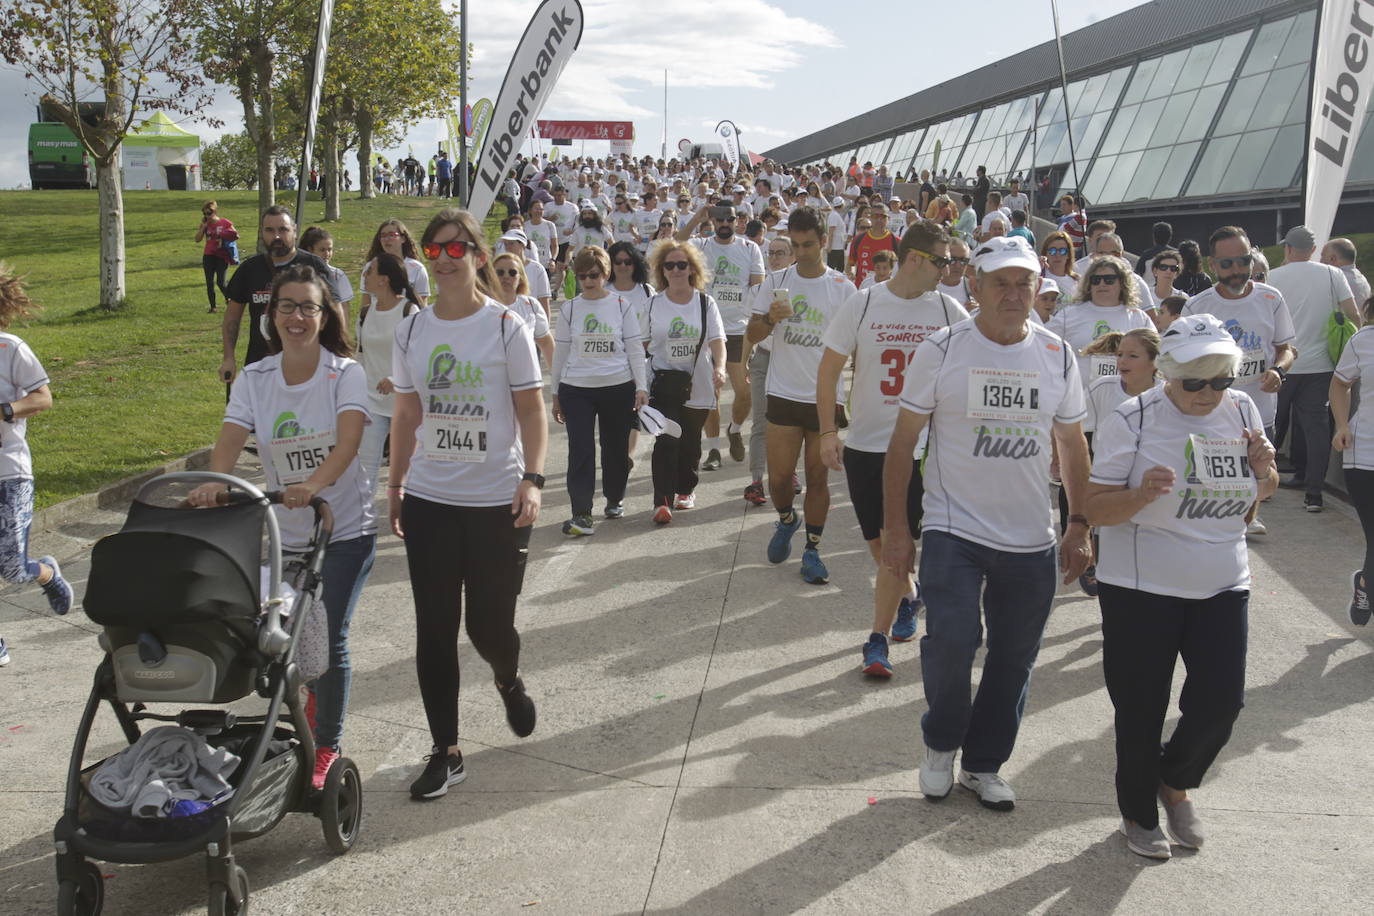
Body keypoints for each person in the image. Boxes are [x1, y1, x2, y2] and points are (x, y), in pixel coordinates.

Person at [881, 235, 1093, 811]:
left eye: (1024, 281)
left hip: (1031, 537)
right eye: (1000, 281)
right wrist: (897, 531)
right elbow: (902, 445)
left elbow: (1072, 445)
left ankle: (983, 764)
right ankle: (941, 743)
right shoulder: (942, 349)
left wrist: (1079, 524)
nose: (1013, 293)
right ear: (974, 285)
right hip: (954, 528)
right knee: (951, 640)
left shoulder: (1057, 355)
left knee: (1014, 658)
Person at [1085, 314, 1277, 859]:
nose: (1207, 393)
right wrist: (1141, 495)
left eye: (1220, 379)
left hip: (1222, 579)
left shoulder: (1240, 409)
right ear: (1167, 372)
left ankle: (1173, 780)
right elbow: (1096, 507)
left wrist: (1264, 473)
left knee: (1221, 703)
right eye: (1194, 381)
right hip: (1143, 587)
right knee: (1141, 707)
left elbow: (1261, 493)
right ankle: (1138, 814)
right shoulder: (1134, 418)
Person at [189, 264, 377, 791]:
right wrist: (211, 484)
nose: (297, 317)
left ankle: (327, 745)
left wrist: (313, 485)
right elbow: (229, 438)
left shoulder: (345, 374)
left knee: (326, 638)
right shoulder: (255, 379)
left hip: (342, 532)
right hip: (284, 534)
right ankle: (298, 722)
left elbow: (346, 445)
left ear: (325, 315)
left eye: (308, 307)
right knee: (278, 640)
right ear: (271, 315)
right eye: (287, 306)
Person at [388, 208, 547, 800]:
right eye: (435, 251)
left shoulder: (507, 326)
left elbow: (531, 408)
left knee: (489, 627)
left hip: (493, 501)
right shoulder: (412, 330)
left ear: (479, 257)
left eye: (459, 250)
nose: (447, 260)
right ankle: (446, 750)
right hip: (431, 497)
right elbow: (407, 414)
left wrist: (532, 478)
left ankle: (507, 677)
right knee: (434, 630)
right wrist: (396, 485)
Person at [816, 221, 968, 677]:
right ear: (916, 259)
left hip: (922, 448)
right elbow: (828, 370)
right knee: (880, 545)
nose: (949, 270)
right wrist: (827, 431)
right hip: (866, 444)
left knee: (900, 546)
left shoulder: (948, 309)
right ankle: (908, 596)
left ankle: (876, 640)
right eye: (943, 260)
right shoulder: (863, 303)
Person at [748, 206, 858, 584]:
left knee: (817, 478)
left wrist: (857, 393)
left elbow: (857, 346)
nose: (801, 252)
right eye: (795, 245)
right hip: (782, 392)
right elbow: (752, 336)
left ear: (824, 241)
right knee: (779, 480)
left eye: (808, 244)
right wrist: (770, 320)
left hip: (825, 400)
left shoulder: (844, 288)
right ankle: (786, 519)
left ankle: (813, 550)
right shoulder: (777, 280)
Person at [1182, 226, 1296, 535]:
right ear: (1212, 265)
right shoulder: (1197, 307)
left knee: (1258, 476)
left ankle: (1245, 522)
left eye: (1243, 262)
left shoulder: (1271, 298)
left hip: (1259, 409)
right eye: (1227, 264)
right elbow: (1182, 363)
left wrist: (1279, 371)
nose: (1236, 271)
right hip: (1211, 411)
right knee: (1213, 486)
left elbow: (1286, 349)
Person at [0, 264, 71, 668]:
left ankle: (45, 572)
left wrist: (6, 409)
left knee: (12, 566)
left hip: (10, 473)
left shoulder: (10, 349)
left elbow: (43, 398)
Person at [551, 247, 647, 535]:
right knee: (580, 450)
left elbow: (634, 348)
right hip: (576, 389)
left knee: (615, 448)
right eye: (582, 276)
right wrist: (555, 393)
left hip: (617, 386)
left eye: (593, 275)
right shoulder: (569, 308)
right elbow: (561, 353)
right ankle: (581, 514)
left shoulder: (621, 306)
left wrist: (641, 386)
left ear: (605, 274)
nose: (588, 281)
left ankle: (614, 497)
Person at [1269, 225, 1359, 512]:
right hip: (1321, 367)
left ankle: (1262, 486)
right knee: (1317, 430)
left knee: (1270, 426)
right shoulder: (1333, 275)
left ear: (1288, 249)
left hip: (1282, 364)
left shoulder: (1274, 276)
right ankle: (1314, 495)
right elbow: (1353, 315)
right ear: (1313, 250)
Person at [642, 239, 727, 524]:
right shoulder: (653, 304)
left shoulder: (705, 302)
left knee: (690, 441)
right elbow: (639, 344)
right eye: (670, 265)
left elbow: (717, 340)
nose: (676, 270)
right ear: (662, 271)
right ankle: (662, 501)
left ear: (692, 268)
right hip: (663, 381)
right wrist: (636, 382)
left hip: (698, 381)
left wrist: (721, 367)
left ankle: (685, 489)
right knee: (666, 439)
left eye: (682, 264)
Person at [676, 203, 765, 471]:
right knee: (710, 394)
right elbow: (676, 243)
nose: (725, 223)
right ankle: (713, 450)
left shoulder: (750, 248)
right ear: (712, 221)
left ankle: (735, 429)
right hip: (708, 329)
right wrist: (697, 217)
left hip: (738, 329)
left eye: (730, 218)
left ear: (738, 221)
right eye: (719, 219)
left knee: (745, 392)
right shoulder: (702, 245)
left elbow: (758, 286)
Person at [220, 207, 338, 385]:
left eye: (283, 229)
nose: (276, 236)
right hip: (260, 367)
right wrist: (229, 358)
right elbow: (232, 317)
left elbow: (335, 315)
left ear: (295, 231)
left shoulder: (314, 266)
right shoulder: (249, 269)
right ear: (262, 233)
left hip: (308, 369)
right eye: (270, 230)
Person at [355, 253, 421, 490]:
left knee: (407, 469)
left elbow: (419, 358)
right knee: (366, 468)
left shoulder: (409, 311)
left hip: (405, 404)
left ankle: (408, 518)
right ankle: (363, 523)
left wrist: (396, 380)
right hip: (372, 404)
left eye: (369, 271)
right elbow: (361, 356)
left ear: (383, 279)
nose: (364, 275)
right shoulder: (365, 313)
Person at [1331, 293, 1374, 624]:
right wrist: (1342, 425)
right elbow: (1340, 384)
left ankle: (1365, 582)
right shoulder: (1363, 340)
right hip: (1364, 453)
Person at [1047, 255, 1153, 388]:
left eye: (1109, 280)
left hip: (1126, 400)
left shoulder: (1139, 318)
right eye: (1096, 280)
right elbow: (1045, 350)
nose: (1101, 284)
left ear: (1122, 283)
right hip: (1079, 399)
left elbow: (1155, 358)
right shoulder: (1068, 315)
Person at [491, 252, 554, 368]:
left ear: (520, 277)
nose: (506, 276)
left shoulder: (531, 305)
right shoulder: (481, 307)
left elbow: (546, 344)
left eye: (512, 272)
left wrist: (557, 378)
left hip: (525, 379)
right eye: (500, 273)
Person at [362, 220, 431, 309]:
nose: (387, 239)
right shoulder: (370, 267)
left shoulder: (417, 268)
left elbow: (422, 305)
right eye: (383, 235)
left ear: (403, 238)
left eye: (392, 235)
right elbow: (366, 301)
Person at [301, 226, 354, 322]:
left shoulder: (338, 275)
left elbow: (344, 309)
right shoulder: (298, 274)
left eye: (329, 249)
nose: (327, 254)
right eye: (322, 250)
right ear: (310, 250)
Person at [195, 200, 237, 314]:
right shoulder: (205, 224)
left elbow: (235, 235)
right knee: (209, 282)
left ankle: (231, 299)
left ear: (215, 211)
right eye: (204, 213)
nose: (207, 216)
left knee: (221, 282)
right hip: (208, 255)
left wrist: (223, 237)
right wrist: (203, 228)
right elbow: (197, 239)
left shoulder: (224, 222)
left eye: (209, 213)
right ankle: (213, 307)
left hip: (221, 255)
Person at [848, 204, 898, 288]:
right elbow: (850, 264)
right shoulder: (858, 239)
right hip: (862, 290)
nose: (879, 219)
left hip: (887, 292)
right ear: (870, 218)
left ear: (888, 219)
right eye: (875, 216)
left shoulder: (897, 242)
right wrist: (851, 272)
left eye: (883, 216)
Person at [1322, 237, 1371, 308]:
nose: (1320, 261)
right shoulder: (1362, 279)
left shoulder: (1334, 280)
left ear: (1332, 259)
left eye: (1322, 256)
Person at [1040, 231, 1079, 308]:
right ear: (1046, 253)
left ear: (1068, 255)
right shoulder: (1039, 277)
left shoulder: (1077, 280)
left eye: (1062, 251)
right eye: (1052, 251)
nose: (1057, 255)